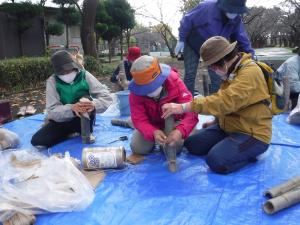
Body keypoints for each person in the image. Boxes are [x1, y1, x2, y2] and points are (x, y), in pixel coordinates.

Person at [162, 36, 272, 174]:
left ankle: (249, 155)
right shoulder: (232, 71)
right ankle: (229, 145)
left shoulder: (249, 72)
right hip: (229, 128)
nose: (213, 69)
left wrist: (183, 107)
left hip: (252, 133)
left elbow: (224, 101)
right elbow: (227, 103)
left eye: (212, 66)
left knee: (216, 161)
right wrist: (216, 121)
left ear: (222, 61)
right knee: (192, 144)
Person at [31, 50, 113, 148]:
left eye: (70, 69)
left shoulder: (84, 75)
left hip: (83, 118)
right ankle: (67, 133)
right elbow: (52, 110)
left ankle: (85, 131)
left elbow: (106, 96)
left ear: (75, 66)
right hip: (62, 120)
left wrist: (94, 105)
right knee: (38, 141)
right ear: (57, 71)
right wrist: (72, 108)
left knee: (85, 99)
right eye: (63, 72)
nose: (68, 73)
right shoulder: (52, 81)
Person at [175, 0, 254, 96]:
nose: (234, 13)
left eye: (237, 10)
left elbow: (242, 38)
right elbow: (187, 20)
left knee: (217, 75)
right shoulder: (206, 7)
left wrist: (251, 55)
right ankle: (187, 99)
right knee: (190, 73)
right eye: (232, 9)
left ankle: (215, 102)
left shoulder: (236, 20)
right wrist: (182, 39)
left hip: (214, 49)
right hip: (193, 42)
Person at [128, 55, 199, 155]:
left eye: (153, 86)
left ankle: (186, 133)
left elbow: (191, 110)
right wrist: (153, 132)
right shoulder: (135, 93)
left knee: (174, 147)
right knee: (139, 149)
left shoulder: (175, 82)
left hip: (175, 122)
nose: (150, 91)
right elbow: (139, 119)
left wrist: (180, 131)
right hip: (151, 124)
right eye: (146, 89)